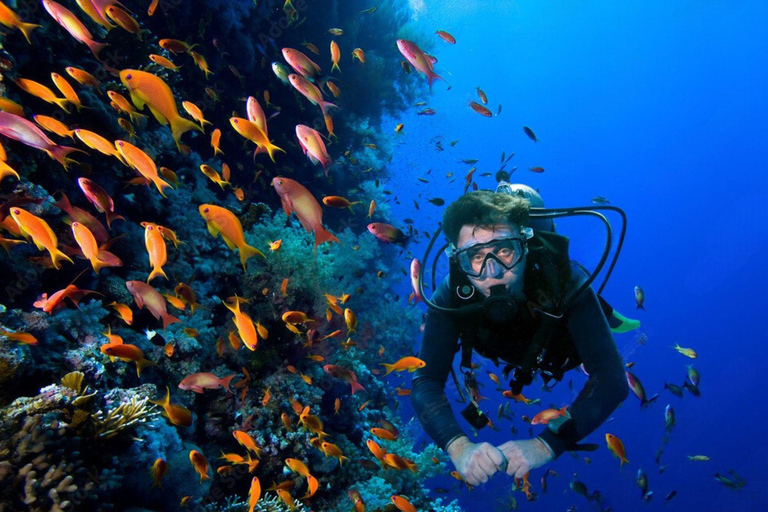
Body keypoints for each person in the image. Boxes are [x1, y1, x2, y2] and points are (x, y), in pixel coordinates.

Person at [410, 185, 629, 486]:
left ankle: (612, 319)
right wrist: (458, 446)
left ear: (524, 247)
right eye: (475, 256)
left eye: (504, 250)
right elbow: (425, 380)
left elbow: (612, 380)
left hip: (562, 350)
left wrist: (546, 444)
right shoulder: (451, 294)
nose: (493, 271)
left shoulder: (565, 283)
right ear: (459, 260)